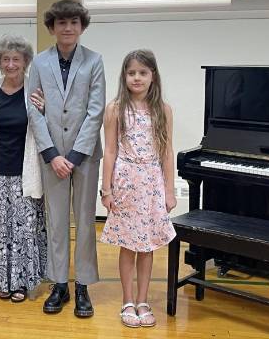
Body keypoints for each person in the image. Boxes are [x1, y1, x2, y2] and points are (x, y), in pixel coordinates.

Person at [28, 0, 105, 317]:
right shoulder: (39, 62)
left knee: (86, 223)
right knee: (56, 222)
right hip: (52, 158)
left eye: (74, 22)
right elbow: (33, 107)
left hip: (84, 156)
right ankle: (59, 284)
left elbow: (96, 110)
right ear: (51, 28)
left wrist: (73, 155)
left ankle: (83, 285)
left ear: (82, 26)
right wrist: (51, 154)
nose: (68, 28)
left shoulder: (94, 61)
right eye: (61, 23)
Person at [100, 49, 177, 328]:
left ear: (152, 76)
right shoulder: (115, 108)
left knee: (148, 245)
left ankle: (144, 301)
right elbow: (109, 151)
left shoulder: (163, 110)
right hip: (125, 182)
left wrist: (169, 190)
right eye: (131, 72)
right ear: (124, 76)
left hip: (152, 184)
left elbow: (167, 152)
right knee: (128, 245)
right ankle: (128, 301)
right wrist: (106, 189)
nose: (137, 77)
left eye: (143, 73)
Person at [0, 34, 47, 302]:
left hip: (27, 173)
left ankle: (23, 283)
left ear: (26, 62)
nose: (11, 64)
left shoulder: (35, 91)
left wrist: (45, 110)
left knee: (25, 230)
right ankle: (3, 281)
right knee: (0, 229)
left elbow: (46, 129)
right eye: (6, 59)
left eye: (16, 59)